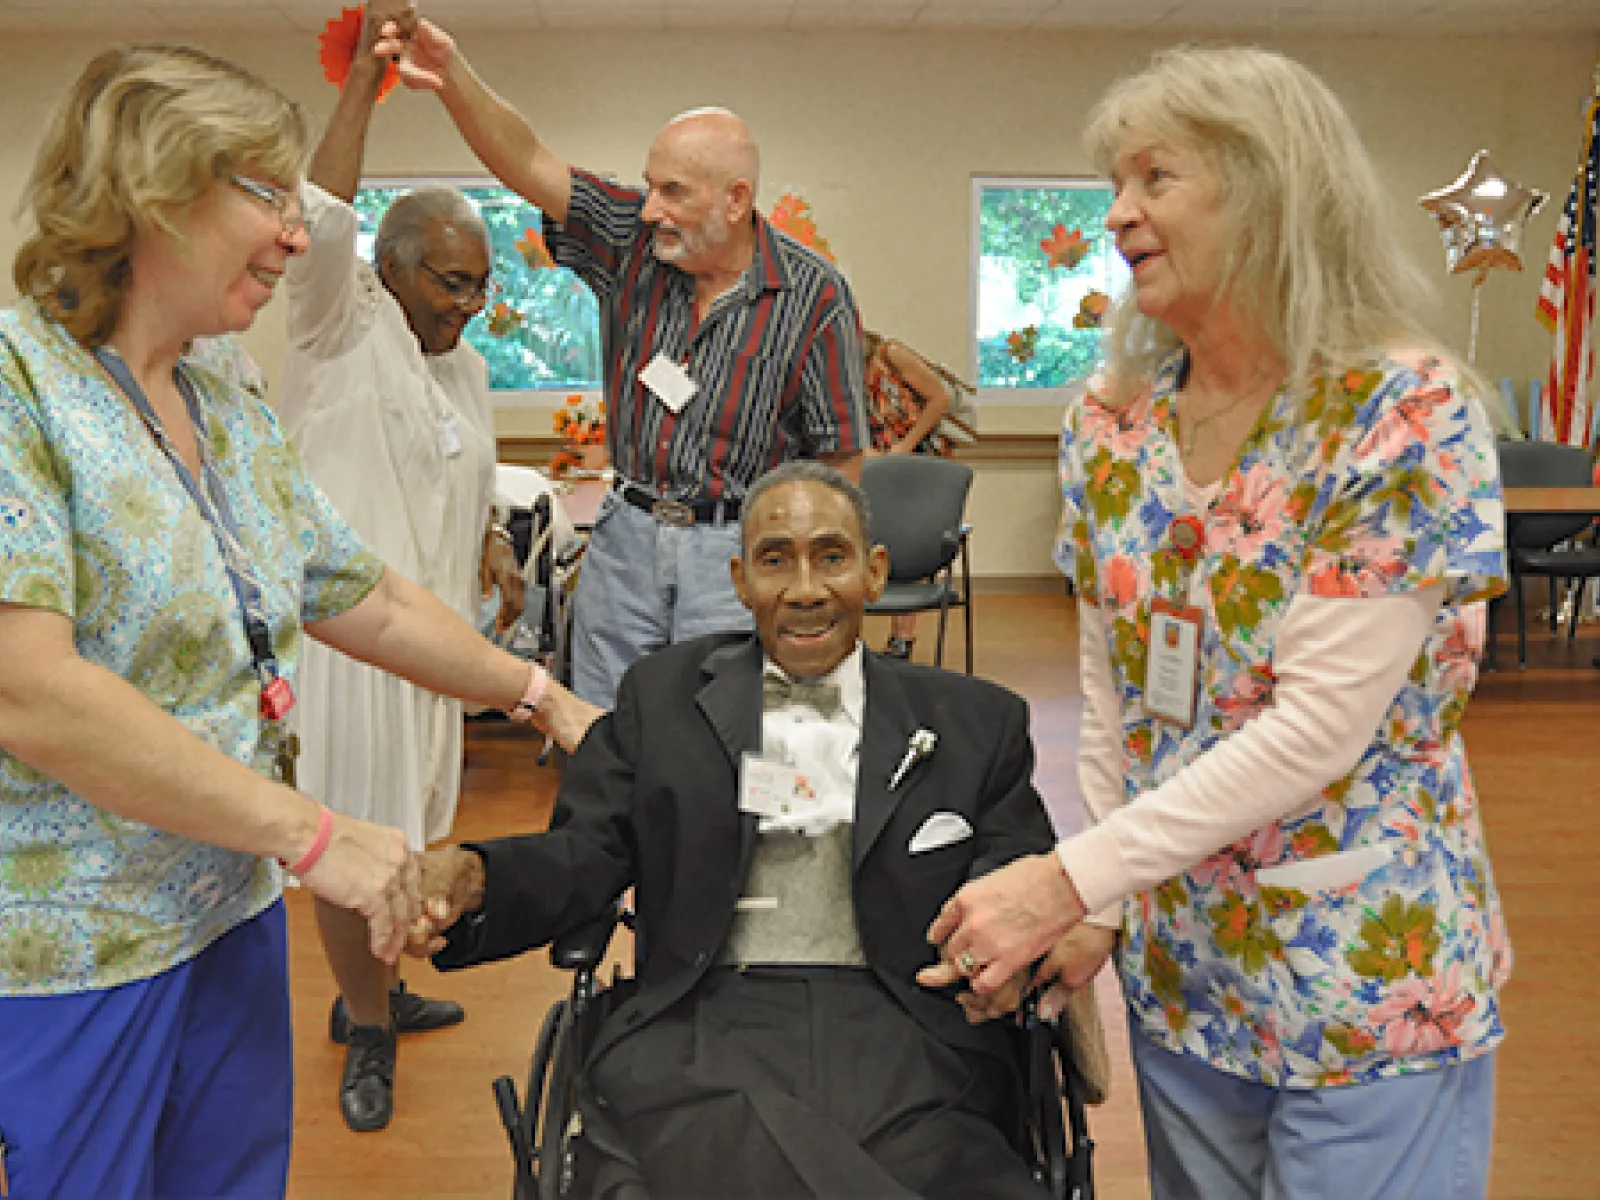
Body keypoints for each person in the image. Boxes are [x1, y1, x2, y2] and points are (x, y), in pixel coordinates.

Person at [0, 43, 593, 1199]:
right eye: (266, 197)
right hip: (82, 945)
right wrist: (318, 838)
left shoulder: (220, 389)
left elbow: (355, 588)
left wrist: (537, 694)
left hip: (228, 910)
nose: (294, 233)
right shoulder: (21, 389)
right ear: (154, 192)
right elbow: (31, 691)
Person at [922, 45, 1512, 1200]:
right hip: (1186, 976)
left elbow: (1318, 731)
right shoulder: (1114, 424)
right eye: (1114, 186)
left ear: (1266, 190)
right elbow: (1114, 699)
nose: (1120, 215)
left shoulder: (1398, 410)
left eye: (1154, 179)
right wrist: (1103, 901)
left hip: (1364, 980)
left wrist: (1067, 877)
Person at [408, 461, 1056, 1198]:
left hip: (905, 1035)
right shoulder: (663, 699)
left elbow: (1019, 871)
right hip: (704, 1017)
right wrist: (475, 876)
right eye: (776, 561)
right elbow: (584, 854)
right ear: (741, 581)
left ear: (875, 574)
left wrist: (1003, 955)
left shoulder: (974, 723)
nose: (806, 589)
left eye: (832, 557)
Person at [276, 0, 605, 1134]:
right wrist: (365, 82)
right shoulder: (335, 325)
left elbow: (456, 479)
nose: (470, 306)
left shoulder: (459, 370)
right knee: (353, 835)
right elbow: (321, 214)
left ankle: (381, 989)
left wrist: (484, 553)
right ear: (393, 268)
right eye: (450, 283)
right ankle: (364, 1027)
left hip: (434, 648)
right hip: (349, 647)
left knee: (410, 833)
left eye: (480, 286)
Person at [376, 16, 871, 709]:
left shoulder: (813, 294)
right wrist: (452, 74)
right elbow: (530, 161)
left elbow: (839, 458)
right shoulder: (630, 246)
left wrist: (810, 577)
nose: (651, 210)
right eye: (650, 186)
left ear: (735, 200)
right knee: (607, 728)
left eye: (674, 192)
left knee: (728, 734)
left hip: (736, 544)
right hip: (627, 537)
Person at [862, 329, 955, 659]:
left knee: (909, 537)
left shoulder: (891, 354)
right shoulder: (837, 375)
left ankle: (903, 638)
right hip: (876, 463)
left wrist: (906, 446)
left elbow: (940, 398)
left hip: (918, 456)